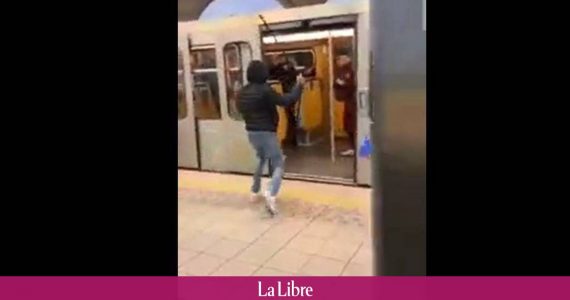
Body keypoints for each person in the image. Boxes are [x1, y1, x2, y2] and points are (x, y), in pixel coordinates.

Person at [237, 60, 305, 215]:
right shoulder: (265, 90)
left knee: (261, 159)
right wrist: (299, 85)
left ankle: (254, 192)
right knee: (279, 163)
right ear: (263, 73)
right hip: (267, 132)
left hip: (251, 132)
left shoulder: (242, 92)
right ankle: (271, 193)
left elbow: (240, 109)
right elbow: (286, 101)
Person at [269, 55, 299, 147]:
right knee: (291, 118)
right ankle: (292, 139)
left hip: (286, 94)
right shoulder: (290, 68)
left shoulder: (283, 69)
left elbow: (273, 75)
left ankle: (291, 139)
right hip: (290, 94)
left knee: (289, 118)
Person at [333, 51, 357, 156]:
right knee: (350, 125)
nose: (337, 62)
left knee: (356, 126)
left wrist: (339, 83)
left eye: (339, 59)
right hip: (351, 101)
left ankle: (364, 150)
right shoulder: (346, 70)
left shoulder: (350, 70)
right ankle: (355, 148)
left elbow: (349, 84)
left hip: (353, 101)